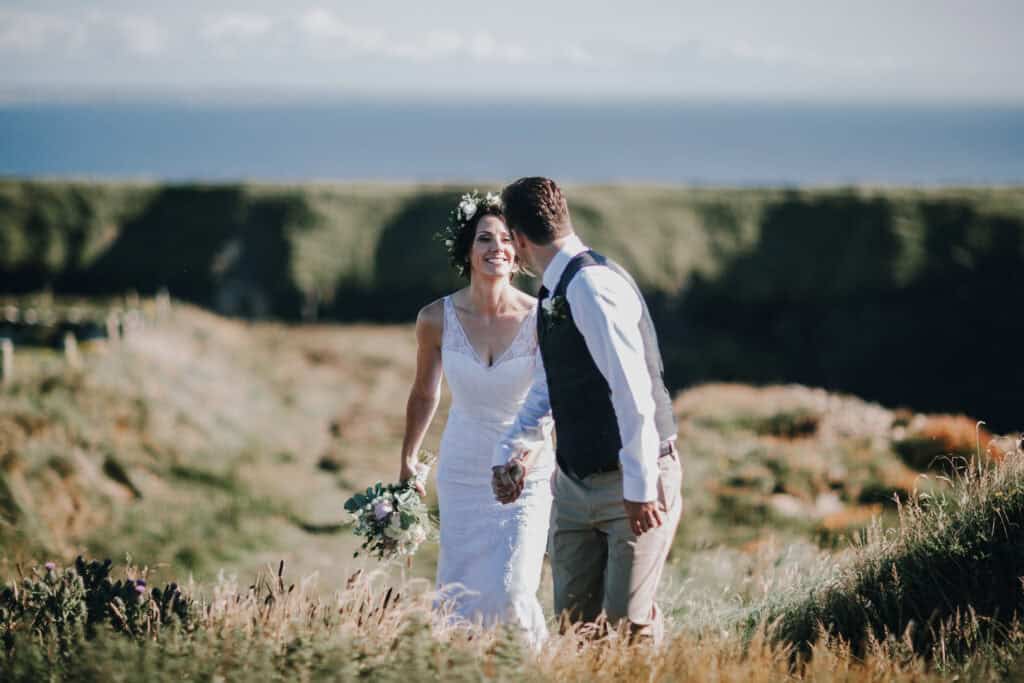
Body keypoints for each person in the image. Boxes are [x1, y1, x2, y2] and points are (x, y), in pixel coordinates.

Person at [492, 177, 682, 643]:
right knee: (576, 633)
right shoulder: (552, 290)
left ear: (517, 239)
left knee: (628, 631)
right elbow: (550, 383)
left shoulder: (592, 287)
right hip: (574, 488)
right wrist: (517, 447)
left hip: (631, 484)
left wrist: (639, 487)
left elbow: (632, 392)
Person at [398, 191, 554, 645]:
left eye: (507, 239)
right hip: (462, 471)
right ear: (467, 249)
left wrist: (523, 459)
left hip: (524, 471)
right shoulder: (435, 319)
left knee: (511, 590)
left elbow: (552, 402)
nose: (497, 248)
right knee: (460, 595)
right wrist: (408, 459)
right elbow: (425, 392)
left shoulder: (541, 318)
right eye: (485, 238)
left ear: (519, 250)